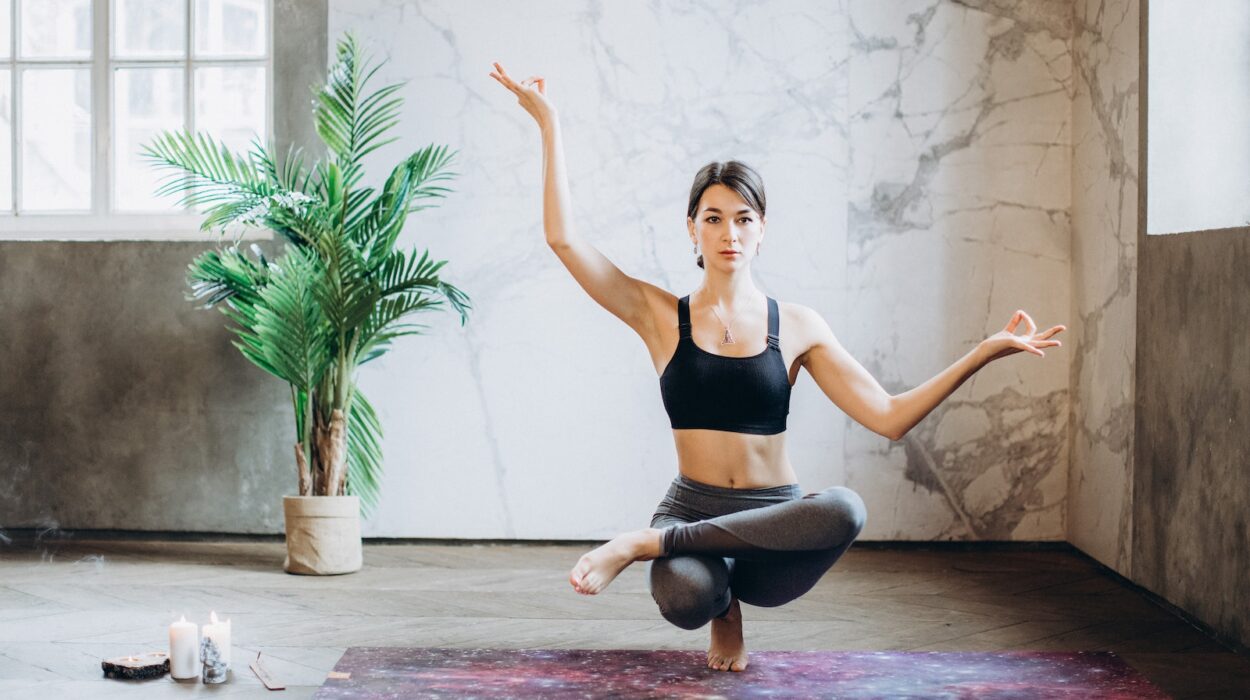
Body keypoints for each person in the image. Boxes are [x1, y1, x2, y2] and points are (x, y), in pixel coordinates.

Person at [488, 61, 1066, 673]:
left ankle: (639, 544)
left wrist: (982, 352)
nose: (728, 233)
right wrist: (549, 123)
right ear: (692, 229)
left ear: (762, 230)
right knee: (685, 595)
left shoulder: (797, 326)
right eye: (713, 218)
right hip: (692, 509)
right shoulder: (659, 315)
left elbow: (890, 418)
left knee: (845, 508)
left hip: (774, 522)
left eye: (743, 219)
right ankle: (718, 604)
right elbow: (564, 240)